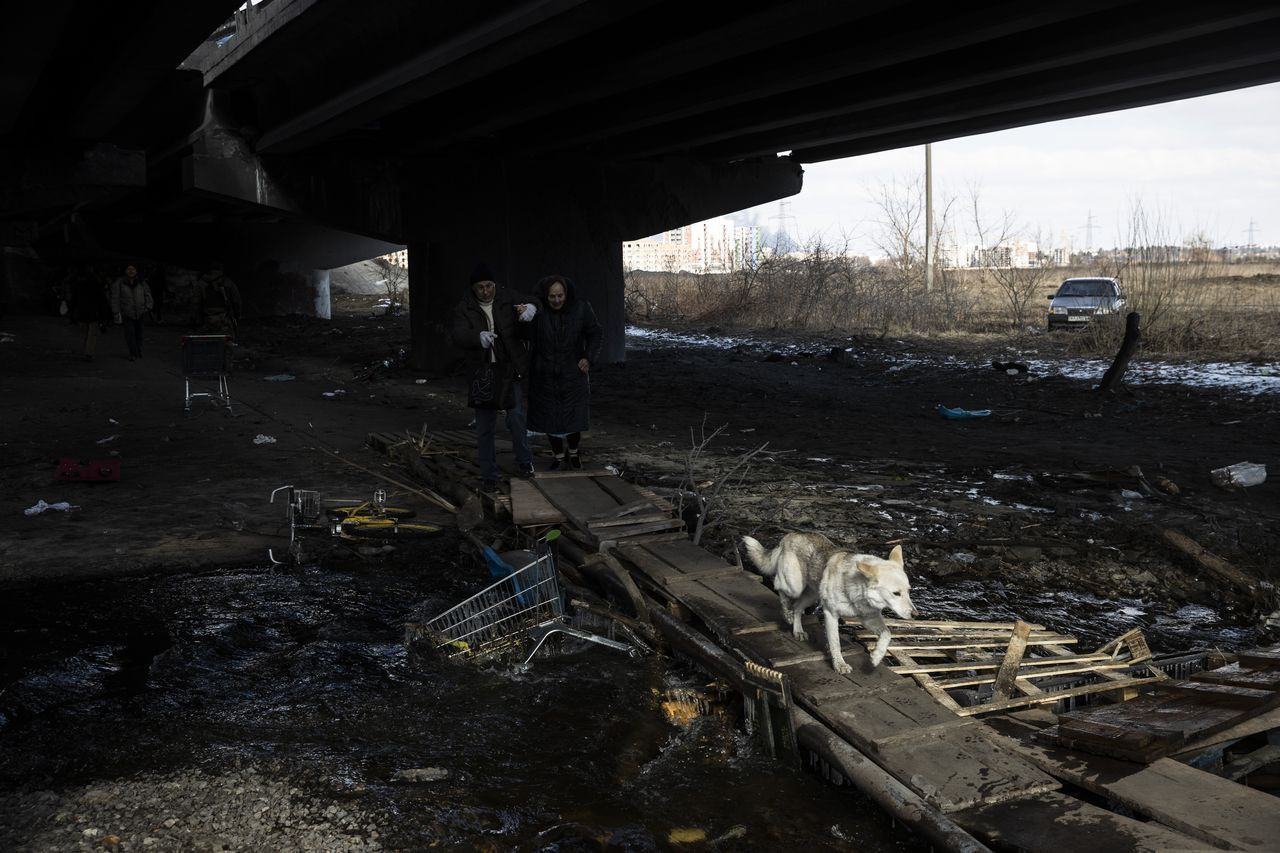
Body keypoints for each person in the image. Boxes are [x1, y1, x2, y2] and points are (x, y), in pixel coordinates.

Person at [449, 263, 538, 492]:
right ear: (473, 289)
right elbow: (457, 334)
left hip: (510, 369)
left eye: (489, 286)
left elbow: (533, 300)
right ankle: (489, 474)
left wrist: (530, 308)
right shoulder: (465, 307)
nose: (486, 291)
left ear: (494, 284)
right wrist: (476, 338)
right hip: (483, 372)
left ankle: (525, 464)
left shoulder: (507, 296)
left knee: (516, 419)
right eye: (480, 288)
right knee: (485, 426)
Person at [526, 274, 602, 470]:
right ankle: (558, 455)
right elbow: (524, 337)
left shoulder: (581, 308)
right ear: (546, 296)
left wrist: (588, 357)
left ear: (566, 294)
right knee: (549, 418)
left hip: (573, 370)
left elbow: (595, 333)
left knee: (574, 417)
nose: (557, 300)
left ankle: (574, 452)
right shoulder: (538, 311)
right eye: (552, 297)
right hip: (545, 372)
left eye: (560, 296)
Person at [67, 265, 111, 362]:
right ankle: (88, 352)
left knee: (86, 333)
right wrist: (105, 315)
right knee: (91, 334)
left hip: (83, 312)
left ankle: (87, 351)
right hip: (93, 313)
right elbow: (102, 301)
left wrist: (72, 313)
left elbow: (73, 301)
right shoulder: (96, 286)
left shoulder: (78, 286)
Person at [197, 263, 243, 339]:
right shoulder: (229, 283)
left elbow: (195, 304)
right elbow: (237, 302)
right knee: (228, 344)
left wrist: (198, 320)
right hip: (225, 320)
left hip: (207, 320)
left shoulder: (201, 283)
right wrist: (237, 316)